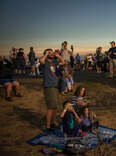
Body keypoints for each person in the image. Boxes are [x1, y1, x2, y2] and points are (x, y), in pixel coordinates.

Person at [40, 48, 65, 131]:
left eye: (51, 52)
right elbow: (41, 61)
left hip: (55, 86)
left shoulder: (54, 62)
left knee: (55, 107)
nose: (51, 53)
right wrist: (46, 54)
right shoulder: (45, 62)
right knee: (50, 107)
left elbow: (63, 62)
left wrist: (58, 56)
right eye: (49, 52)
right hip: (49, 86)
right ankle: (48, 126)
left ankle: (52, 123)